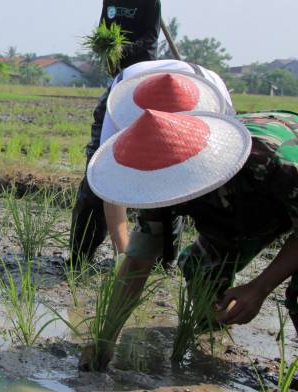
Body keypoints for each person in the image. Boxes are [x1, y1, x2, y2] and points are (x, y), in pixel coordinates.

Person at [81, 107, 298, 371]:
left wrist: (259, 287)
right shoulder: (161, 180)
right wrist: (106, 337)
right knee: (201, 271)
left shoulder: (271, 163)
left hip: (274, 191)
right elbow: (138, 262)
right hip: (243, 207)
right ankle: (212, 342)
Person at [70, 61, 235, 263]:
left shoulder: (216, 105)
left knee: (177, 183)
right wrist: (123, 256)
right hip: (129, 87)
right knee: (94, 189)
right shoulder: (119, 109)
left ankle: (165, 260)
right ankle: (80, 255)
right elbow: (107, 182)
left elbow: (221, 172)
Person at [69, 0, 163, 265]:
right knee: (99, 160)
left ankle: (161, 255)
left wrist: (124, 50)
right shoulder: (110, 0)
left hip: (140, 76)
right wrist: (105, 46)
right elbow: (103, 34)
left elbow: (150, 40)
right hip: (117, 79)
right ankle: (82, 253)